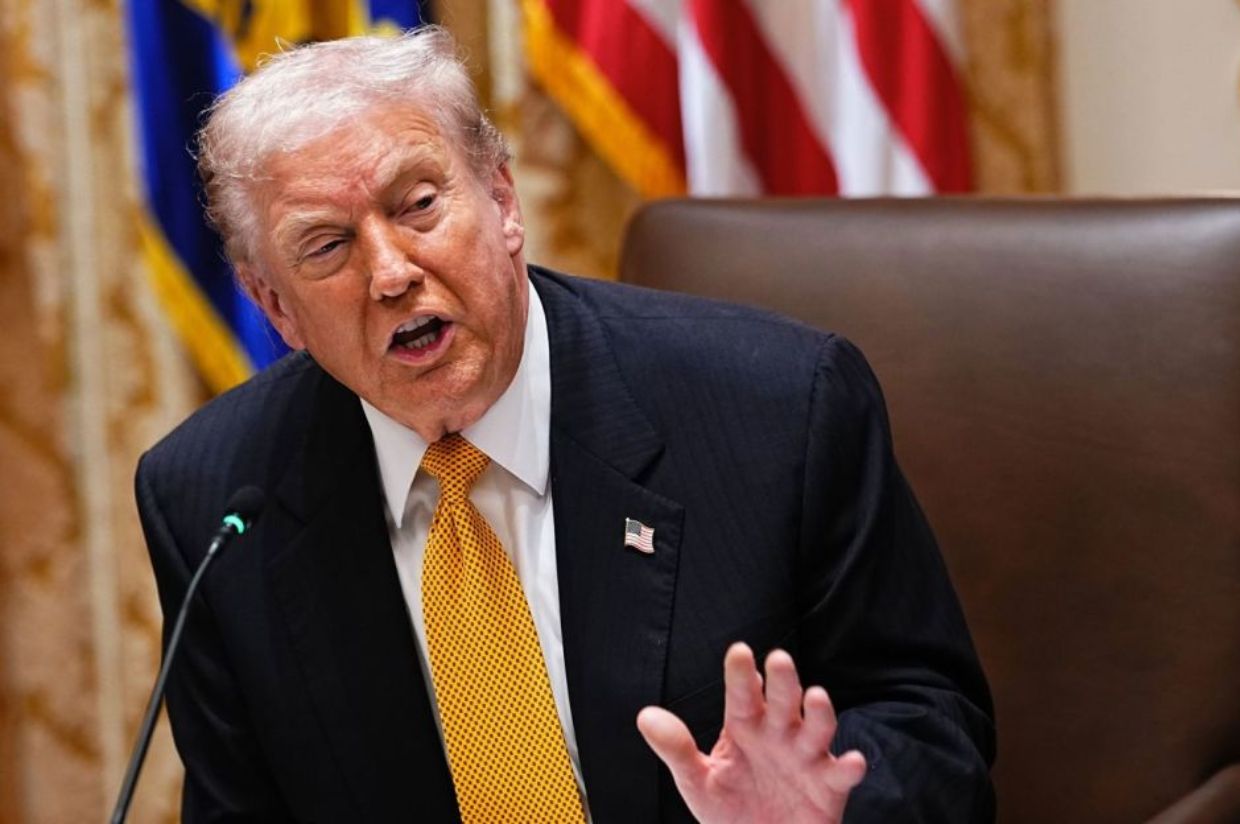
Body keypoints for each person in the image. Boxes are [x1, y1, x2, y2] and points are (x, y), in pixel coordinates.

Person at [136, 27, 994, 823]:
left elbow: (931, 727)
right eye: (327, 247)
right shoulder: (213, 503)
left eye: (418, 204)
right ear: (275, 307)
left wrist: (827, 809)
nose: (391, 273)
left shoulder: (777, 408)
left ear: (502, 200)